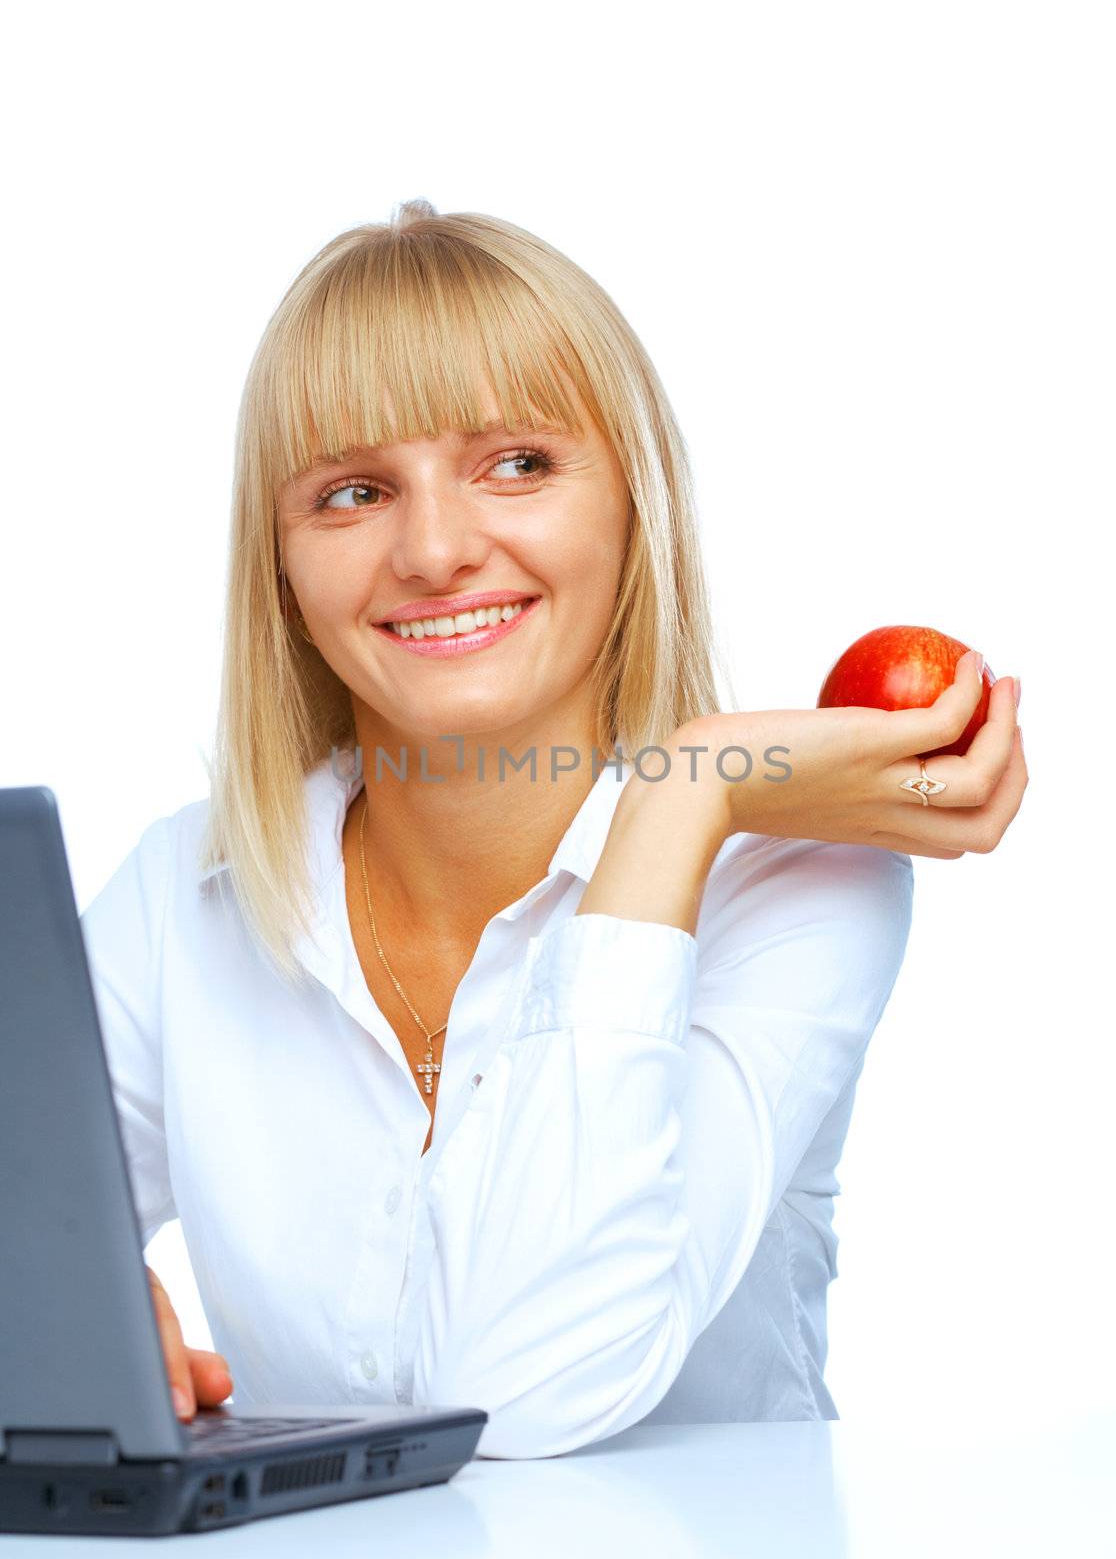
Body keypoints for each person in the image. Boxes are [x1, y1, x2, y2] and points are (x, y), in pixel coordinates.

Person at [79, 198, 1027, 1462]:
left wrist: (688, 791)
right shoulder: (182, 894)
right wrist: (80, 1308)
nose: (434, 548)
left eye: (516, 464)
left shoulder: (797, 880)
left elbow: (524, 1399)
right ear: (283, 575)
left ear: (634, 509)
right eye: (354, 492)